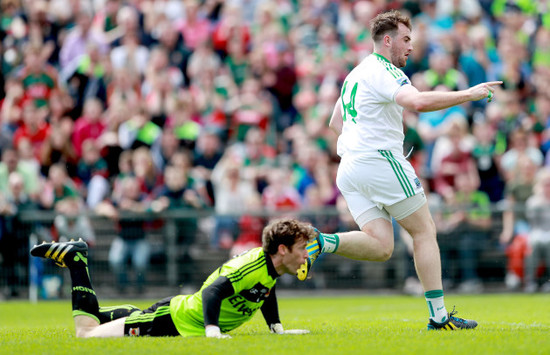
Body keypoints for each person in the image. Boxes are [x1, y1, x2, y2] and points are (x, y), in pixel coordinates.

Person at [297, 10, 502, 330]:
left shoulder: (355, 73)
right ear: (387, 40)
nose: (410, 46)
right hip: (378, 161)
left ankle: (321, 242)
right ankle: (438, 317)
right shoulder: (384, 71)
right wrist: (470, 94)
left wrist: (362, 145)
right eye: (406, 39)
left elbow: (335, 123)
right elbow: (417, 102)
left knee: (381, 247)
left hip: (349, 168)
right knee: (424, 231)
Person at [30, 218, 311, 338]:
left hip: (176, 313)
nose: (305, 257)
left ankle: (124, 312)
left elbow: (264, 292)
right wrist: (212, 331)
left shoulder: (270, 270)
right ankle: (76, 261)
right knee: (86, 334)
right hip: (171, 322)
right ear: (282, 250)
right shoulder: (252, 266)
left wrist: (276, 328)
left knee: (115, 320)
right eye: (301, 249)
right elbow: (213, 291)